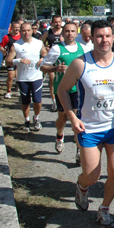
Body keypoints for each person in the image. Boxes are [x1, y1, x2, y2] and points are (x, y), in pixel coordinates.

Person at [56, 20, 114, 228]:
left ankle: (104, 208)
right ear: (92, 38)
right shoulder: (80, 63)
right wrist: (73, 118)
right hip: (89, 129)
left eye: (108, 36)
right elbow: (62, 90)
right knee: (92, 176)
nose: (104, 40)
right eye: (99, 36)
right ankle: (82, 186)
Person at [41, 21, 85, 153]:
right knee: (63, 117)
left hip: (78, 89)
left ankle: (79, 149)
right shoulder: (57, 49)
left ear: (77, 32)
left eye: (72, 31)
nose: (70, 34)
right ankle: (59, 136)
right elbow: (43, 66)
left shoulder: (83, 48)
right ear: (63, 33)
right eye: (67, 31)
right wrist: (55, 68)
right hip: (62, 89)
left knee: (77, 118)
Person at [6, 22, 47, 132]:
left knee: (37, 100)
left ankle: (36, 118)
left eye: (28, 30)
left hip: (36, 76)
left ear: (32, 30)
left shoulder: (38, 43)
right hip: (22, 78)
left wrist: (42, 59)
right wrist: (19, 60)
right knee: (25, 101)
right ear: (20, 31)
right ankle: (27, 121)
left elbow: (45, 54)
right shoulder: (16, 45)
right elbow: (8, 61)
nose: (26, 33)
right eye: (24, 30)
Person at [41, 14, 63, 111]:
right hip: (51, 58)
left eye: (59, 22)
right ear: (52, 23)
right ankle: (54, 101)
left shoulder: (64, 31)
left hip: (62, 58)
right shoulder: (48, 32)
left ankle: (63, 100)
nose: (58, 24)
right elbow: (39, 42)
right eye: (56, 22)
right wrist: (45, 50)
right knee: (52, 79)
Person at [1, 20, 21, 98]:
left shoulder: (22, 36)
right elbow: (1, 46)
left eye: (18, 27)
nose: (17, 29)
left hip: (20, 58)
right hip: (11, 59)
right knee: (10, 75)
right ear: (11, 28)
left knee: (18, 75)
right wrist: (4, 52)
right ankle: (8, 91)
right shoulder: (7, 37)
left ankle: (18, 86)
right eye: (15, 28)